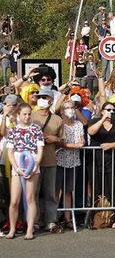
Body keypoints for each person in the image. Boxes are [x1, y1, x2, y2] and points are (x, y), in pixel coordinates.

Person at [5, 103, 44, 240]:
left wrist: (35, 166)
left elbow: (40, 150)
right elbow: (10, 152)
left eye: (29, 114)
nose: (27, 117)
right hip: (17, 165)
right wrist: (16, 168)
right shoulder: (13, 130)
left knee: (29, 197)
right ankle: (12, 229)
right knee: (14, 200)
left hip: (32, 164)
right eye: (24, 114)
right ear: (19, 115)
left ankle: (29, 230)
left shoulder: (37, 129)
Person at [31, 87, 64, 234]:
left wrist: (55, 139)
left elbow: (63, 141)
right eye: (40, 96)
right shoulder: (31, 116)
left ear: (51, 100)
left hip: (50, 161)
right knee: (34, 193)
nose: (41, 99)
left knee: (50, 194)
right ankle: (34, 222)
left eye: (44, 97)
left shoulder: (57, 119)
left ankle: (51, 221)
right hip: (33, 163)